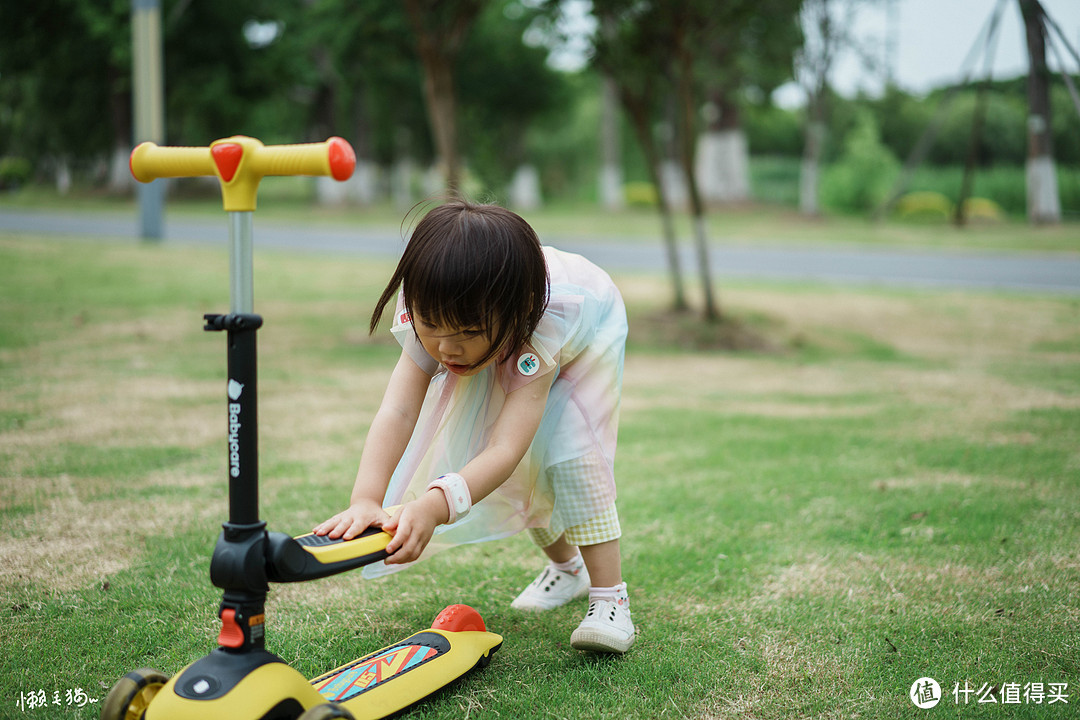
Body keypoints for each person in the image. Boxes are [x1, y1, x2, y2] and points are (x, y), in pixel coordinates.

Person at [313, 200, 634, 653]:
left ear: (513, 313)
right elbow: (398, 411)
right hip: (501, 324)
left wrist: (433, 506)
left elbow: (506, 448)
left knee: (568, 455)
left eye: (465, 333)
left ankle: (610, 599)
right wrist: (366, 499)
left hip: (587, 338)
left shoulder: (541, 323)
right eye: (433, 327)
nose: (446, 348)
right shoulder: (433, 303)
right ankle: (568, 570)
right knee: (522, 471)